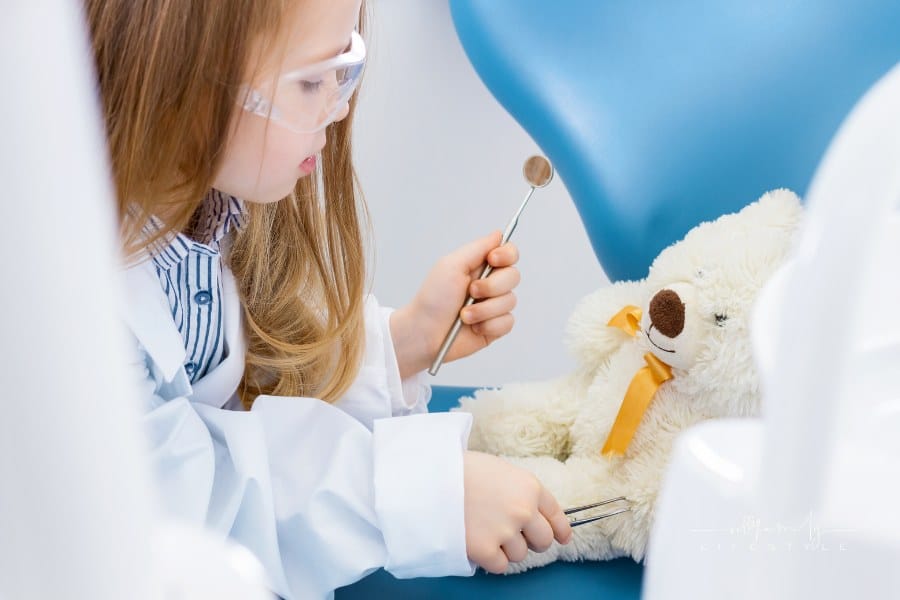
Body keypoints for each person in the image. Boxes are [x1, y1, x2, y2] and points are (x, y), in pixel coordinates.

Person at [83, 0, 572, 597]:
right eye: (312, 81)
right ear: (183, 79)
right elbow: (188, 510)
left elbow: (226, 385)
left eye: (346, 66)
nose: (339, 107)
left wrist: (408, 340)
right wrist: (422, 493)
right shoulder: (71, 305)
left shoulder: (202, 211)